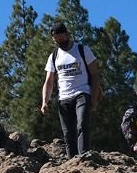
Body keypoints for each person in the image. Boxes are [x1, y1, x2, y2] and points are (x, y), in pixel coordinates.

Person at [41, 22, 102, 158]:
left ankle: (84, 156)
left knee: (82, 124)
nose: (59, 42)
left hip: (82, 92)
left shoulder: (82, 50)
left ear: (67, 34)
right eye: (56, 40)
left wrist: (94, 97)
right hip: (64, 97)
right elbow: (49, 81)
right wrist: (45, 101)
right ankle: (71, 160)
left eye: (61, 38)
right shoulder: (54, 56)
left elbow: (95, 74)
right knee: (68, 132)